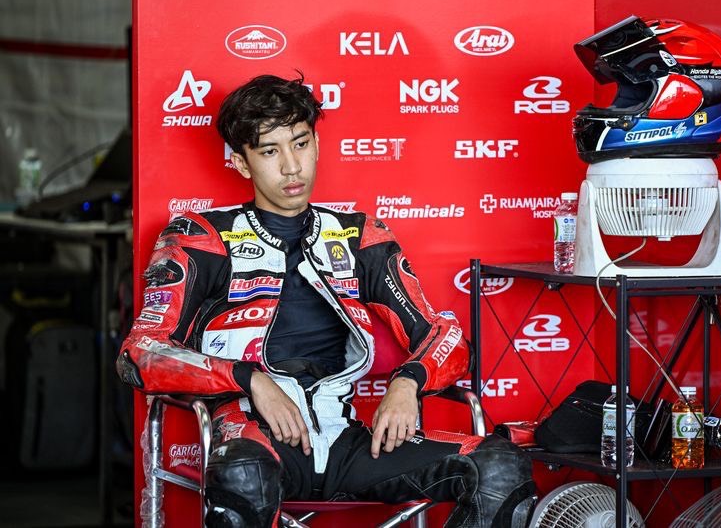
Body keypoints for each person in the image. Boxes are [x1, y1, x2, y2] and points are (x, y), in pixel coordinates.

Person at [117, 74, 535, 527]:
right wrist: (248, 379)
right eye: (270, 151)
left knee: (499, 466)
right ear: (241, 163)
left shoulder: (359, 236)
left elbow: (447, 338)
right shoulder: (201, 238)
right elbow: (139, 355)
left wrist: (408, 381)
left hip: (349, 443)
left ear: (316, 144)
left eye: (300, 144)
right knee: (243, 474)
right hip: (255, 441)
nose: (291, 167)